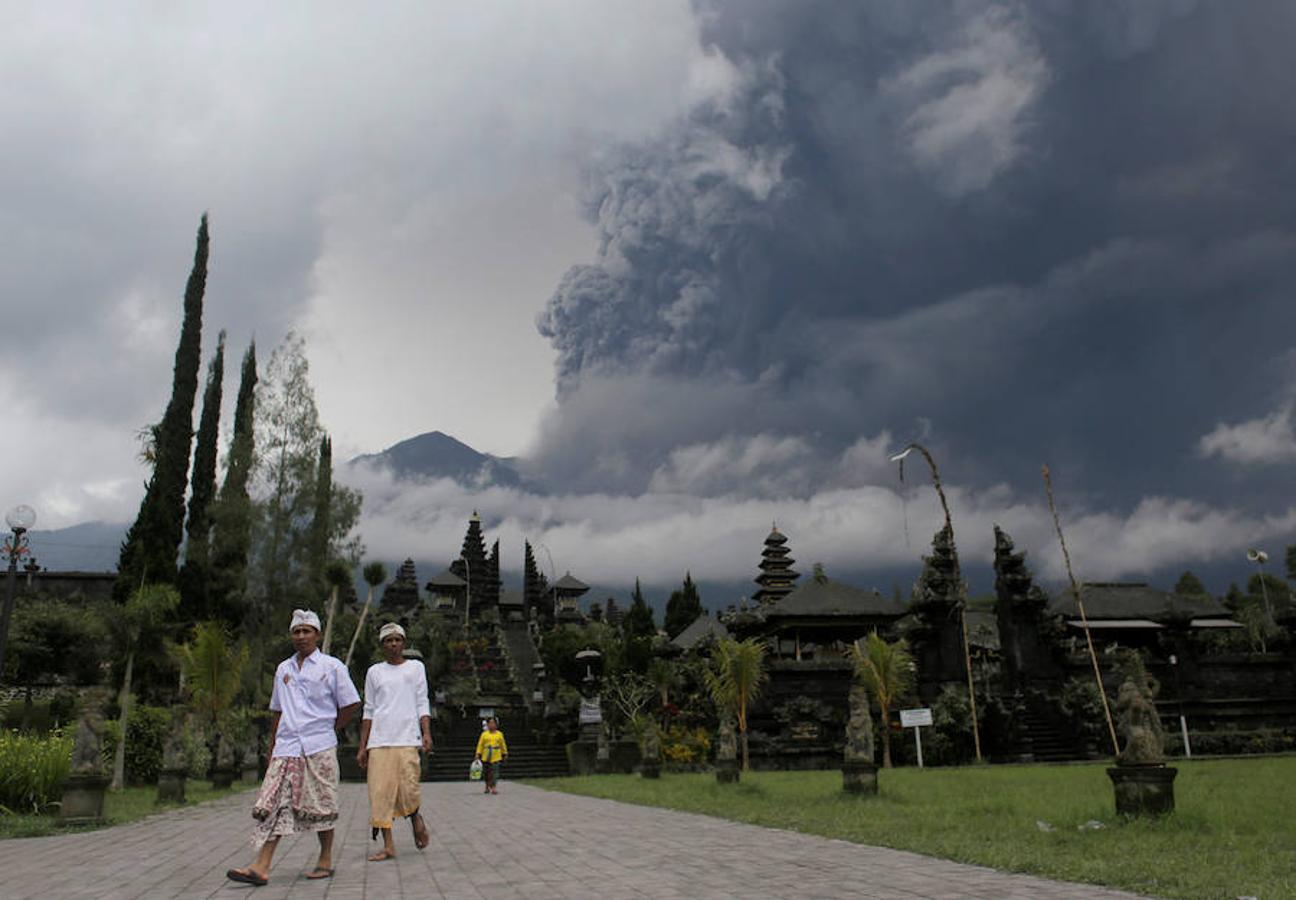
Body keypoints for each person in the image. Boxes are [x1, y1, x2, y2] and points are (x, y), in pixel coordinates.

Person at [226, 610, 361, 886]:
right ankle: (261, 866)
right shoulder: (283, 669)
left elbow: (351, 703)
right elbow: (277, 710)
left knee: (323, 804)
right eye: (296, 632)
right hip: (287, 747)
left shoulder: (332, 666)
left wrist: (331, 727)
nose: (301, 637)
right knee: (276, 804)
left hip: (319, 745)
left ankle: (325, 858)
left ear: (318, 635)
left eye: (307, 631)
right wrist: (273, 744)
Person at [357, 622, 432, 860]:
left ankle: (415, 817)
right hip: (379, 740)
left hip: (408, 737)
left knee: (409, 788)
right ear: (382, 645)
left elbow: (422, 702)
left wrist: (426, 733)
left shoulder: (415, 668)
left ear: (403, 643)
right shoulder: (374, 672)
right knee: (380, 793)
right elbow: (368, 710)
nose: (393, 644)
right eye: (388, 640)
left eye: (397, 639)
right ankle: (388, 845)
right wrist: (362, 747)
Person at [474, 716, 508, 795]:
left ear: (496, 724)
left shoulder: (499, 734)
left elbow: (503, 744)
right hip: (486, 755)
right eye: (490, 723)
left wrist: (505, 753)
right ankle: (487, 785)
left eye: (493, 723)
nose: (491, 725)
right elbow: (480, 745)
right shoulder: (484, 734)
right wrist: (477, 754)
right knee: (486, 772)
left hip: (496, 755)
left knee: (495, 772)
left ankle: (494, 787)